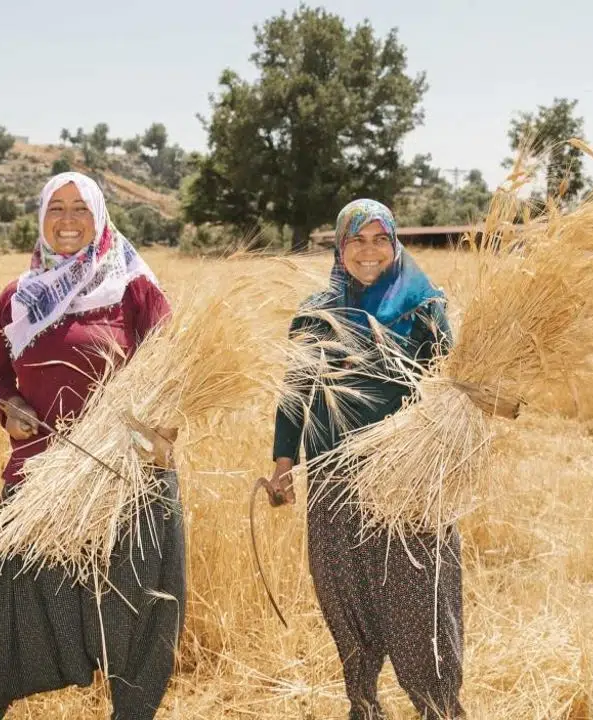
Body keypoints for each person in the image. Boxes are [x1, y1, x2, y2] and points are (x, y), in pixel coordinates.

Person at [0, 172, 184, 720]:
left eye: (79, 207)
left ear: (99, 215)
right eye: (55, 207)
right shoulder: (19, 298)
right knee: (5, 611)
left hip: (127, 480)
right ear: (40, 217)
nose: (66, 219)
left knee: (137, 613)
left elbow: (175, 373)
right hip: (41, 481)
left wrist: (154, 435)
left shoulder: (133, 288)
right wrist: (8, 408)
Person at [263, 199, 464, 720]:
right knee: (346, 601)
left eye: (381, 239)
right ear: (340, 246)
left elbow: (450, 386)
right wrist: (284, 463)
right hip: (332, 479)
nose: (369, 251)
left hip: (407, 480)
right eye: (358, 240)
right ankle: (364, 706)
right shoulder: (315, 313)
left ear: (395, 244)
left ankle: (438, 708)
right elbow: (294, 393)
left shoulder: (423, 307)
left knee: (420, 602)